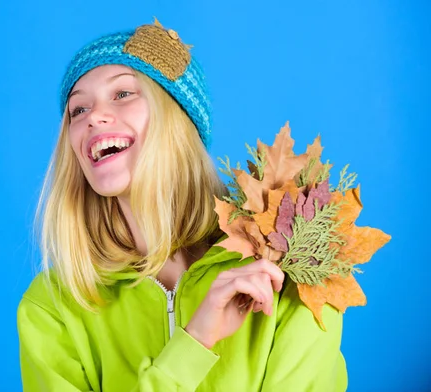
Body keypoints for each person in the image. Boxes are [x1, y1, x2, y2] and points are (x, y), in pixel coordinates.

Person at [17, 19, 347, 391]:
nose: (94, 117)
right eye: (78, 110)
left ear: (180, 118)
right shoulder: (53, 306)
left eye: (123, 93)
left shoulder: (284, 267)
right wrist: (192, 345)